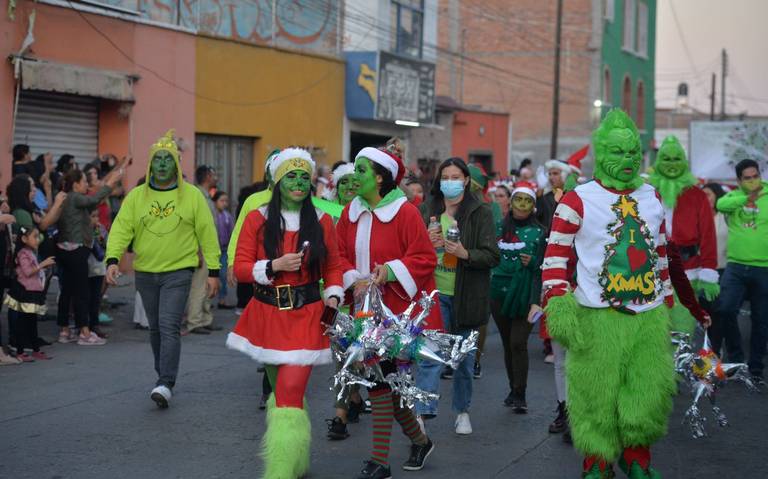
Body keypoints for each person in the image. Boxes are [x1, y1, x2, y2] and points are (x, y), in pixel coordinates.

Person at [542, 109, 676, 478]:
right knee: (595, 398)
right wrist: (558, 302)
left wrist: (668, 298)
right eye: (617, 152)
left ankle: (637, 460)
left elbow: (660, 253)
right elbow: (554, 257)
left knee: (646, 394)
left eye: (633, 152)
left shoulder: (652, 196)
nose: (627, 160)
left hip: (647, 317)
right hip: (597, 316)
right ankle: (597, 464)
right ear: (602, 155)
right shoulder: (577, 199)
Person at [224, 148, 343, 479]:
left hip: (307, 316)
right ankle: (297, 458)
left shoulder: (322, 220)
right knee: (284, 394)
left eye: (305, 177)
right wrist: (273, 265)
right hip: (267, 315)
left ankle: (280, 472)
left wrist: (334, 295)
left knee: (289, 394)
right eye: (291, 176)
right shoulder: (257, 218)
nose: (299, 183)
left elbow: (334, 265)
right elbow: (243, 268)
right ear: (277, 181)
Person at [336, 145, 439, 478]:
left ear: (380, 178)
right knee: (385, 385)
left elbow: (424, 258)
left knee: (380, 382)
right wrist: (353, 279)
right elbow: (338, 255)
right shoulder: (350, 212)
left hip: (396, 313)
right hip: (361, 313)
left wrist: (389, 271)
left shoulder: (405, 212)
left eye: (362, 169)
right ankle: (420, 440)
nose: (355, 175)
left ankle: (380, 461)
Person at [105, 129, 221, 409]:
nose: (162, 165)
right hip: (145, 272)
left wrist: (214, 271)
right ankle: (162, 375)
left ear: (176, 164)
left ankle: (166, 381)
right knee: (156, 328)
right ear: (150, 164)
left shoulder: (192, 196)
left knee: (169, 325)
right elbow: (121, 228)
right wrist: (112, 259)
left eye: (167, 160)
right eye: (157, 159)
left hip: (179, 271)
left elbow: (207, 232)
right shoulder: (136, 197)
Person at [415, 157, 499, 435]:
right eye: (445, 177)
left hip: (466, 294)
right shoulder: (428, 209)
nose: (450, 182)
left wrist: (464, 253)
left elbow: (491, 256)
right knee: (429, 356)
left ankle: (462, 411)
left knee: (463, 359)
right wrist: (427, 243)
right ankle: (422, 417)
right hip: (434, 294)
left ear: (465, 180)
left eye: (455, 177)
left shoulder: (480, 212)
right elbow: (412, 250)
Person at [648, 135, 719, 335]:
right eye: (667, 159)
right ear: (658, 162)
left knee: (682, 329)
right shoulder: (646, 193)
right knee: (655, 331)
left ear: (684, 162)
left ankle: (681, 365)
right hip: (650, 272)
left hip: (688, 271)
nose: (672, 164)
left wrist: (708, 272)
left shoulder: (697, 195)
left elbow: (708, 235)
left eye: (676, 159)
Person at [490, 182, 544, 412]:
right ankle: (513, 389)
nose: (522, 205)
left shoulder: (541, 232)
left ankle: (520, 392)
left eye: (527, 201)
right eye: (518, 200)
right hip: (498, 293)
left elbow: (547, 265)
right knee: (507, 344)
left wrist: (533, 262)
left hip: (524, 294)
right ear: (511, 203)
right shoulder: (498, 228)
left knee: (518, 343)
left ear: (533, 206)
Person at [55, 167, 122, 346]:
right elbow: (93, 200)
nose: (86, 184)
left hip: (64, 249)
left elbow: (90, 202)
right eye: (84, 181)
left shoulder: (68, 198)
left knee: (67, 291)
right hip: (76, 249)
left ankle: (65, 330)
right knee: (81, 292)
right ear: (76, 184)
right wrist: (109, 184)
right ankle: (84, 332)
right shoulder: (75, 197)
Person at [715, 159, 768, 381]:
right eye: (748, 177)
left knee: (761, 319)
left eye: (755, 175)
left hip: (763, 267)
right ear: (739, 181)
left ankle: (755, 369)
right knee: (724, 309)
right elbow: (719, 206)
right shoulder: (731, 198)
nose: (753, 180)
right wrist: (747, 198)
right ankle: (736, 359)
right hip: (735, 266)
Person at [325, 159, 366, 441]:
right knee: (340, 353)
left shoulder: (368, 214)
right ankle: (348, 404)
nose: (350, 187)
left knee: (355, 352)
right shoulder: (324, 215)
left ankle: (347, 406)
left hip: (363, 294)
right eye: (344, 182)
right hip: (332, 295)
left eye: (355, 181)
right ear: (336, 187)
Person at [5, 225, 56, 361]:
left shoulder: (31, 252)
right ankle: (21, 351)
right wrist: (42, 265)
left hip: (33, 292)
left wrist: (42, 269)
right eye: (34, 236)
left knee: (32, 323)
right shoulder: (22, 253)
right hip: (25, 293)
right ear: (24, 238)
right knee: (23, 324)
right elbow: (27, 272)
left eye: (38, 236)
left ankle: (35, 349)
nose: (37, 239)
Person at [184, 165, 219, 334]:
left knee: (207, 285)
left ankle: (205, 318)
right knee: (198, 286)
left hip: (209, 248)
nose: (216, 177)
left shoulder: (206, 196)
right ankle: (194, 321)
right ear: (206, 176)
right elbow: (195, 226)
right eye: (213, 174)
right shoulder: (197, 196)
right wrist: (197, 251)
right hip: (201, 248)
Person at [701, 182, 729, 354]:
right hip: (702, 273)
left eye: (708, 195)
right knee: (707, 314)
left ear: (717, 196)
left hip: (723, 270)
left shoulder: (726, 216)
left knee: (719, 313)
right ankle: (707, 354)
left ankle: (715, 353)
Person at [212, 191, 235, 309]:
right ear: (215, 202)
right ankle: (209, 299)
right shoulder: (212, 215)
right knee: (212, 275)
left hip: (225, 250)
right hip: (213, 250)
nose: (224, 203)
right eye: (222, 200)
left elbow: (232, 232)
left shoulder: (227, 216)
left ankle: (222, 299)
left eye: (226, 201)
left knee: (223, 275)